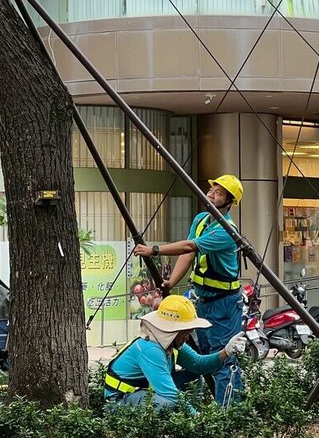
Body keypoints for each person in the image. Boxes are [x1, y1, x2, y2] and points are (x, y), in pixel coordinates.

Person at [133, 174, 244, 405]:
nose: (211, 195)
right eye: (211, 190)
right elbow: (188, 254)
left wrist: (154, 250)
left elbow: (189, 246)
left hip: (224, 302)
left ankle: (231, 413)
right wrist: (171, 282)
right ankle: (211, 407)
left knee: (224, 358)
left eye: (218, 193)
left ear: (229, 202)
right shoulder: (201, 220)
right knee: (204, 357)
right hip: (203, 299)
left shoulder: (227, 231)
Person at [104, 294, 245, 410]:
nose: (187, 337)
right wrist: (198, 421)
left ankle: (184, 422)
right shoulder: (150, 349)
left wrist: (226, 352)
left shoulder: (170, 343)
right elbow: (170, 394)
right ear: (172, 331)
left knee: (193, 376)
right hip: (118, 401)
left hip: (141, 392)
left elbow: (198, 364)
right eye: (185, 333)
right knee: (168, 403)